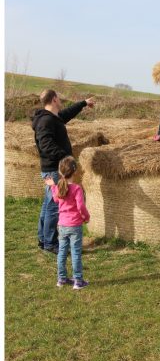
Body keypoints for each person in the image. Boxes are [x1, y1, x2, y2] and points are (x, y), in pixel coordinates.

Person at [31, 89, 95, 254]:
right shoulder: (45, 121)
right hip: (53, 169)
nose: (60, 101)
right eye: (58, 98)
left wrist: (83, 103)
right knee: (53, 207)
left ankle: (43, 239)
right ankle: (51, 243)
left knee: (48, 205)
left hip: (53, 168)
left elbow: (66, 114)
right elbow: (46, 146)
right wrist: (66, 157)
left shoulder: (52, 118)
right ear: (54, 99)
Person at [45, 156, 90, 290]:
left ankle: (62, 279)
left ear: (60, 171)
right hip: (75, 226)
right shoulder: (76, 188)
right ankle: (78, 281)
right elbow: (81, 206)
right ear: (75, 171)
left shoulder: (59, 186)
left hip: (62, 225)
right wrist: (86, 217)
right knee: (75, 252)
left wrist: (53, 186)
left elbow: (56, 199)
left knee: (62, 252)